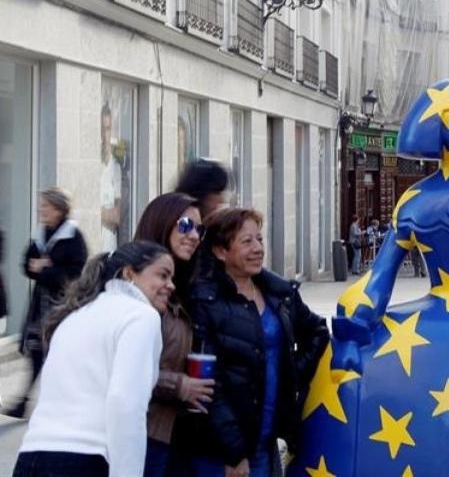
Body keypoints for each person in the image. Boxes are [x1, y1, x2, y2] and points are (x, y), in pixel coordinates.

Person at [183, 207, 330, 476]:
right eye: (246, 241)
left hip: (266, 443)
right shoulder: (204, 300)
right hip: (221, 452)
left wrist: (292, 373)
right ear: (221, 251)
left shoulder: (279, 293)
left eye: (259, 239)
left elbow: (318, 332)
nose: (258, 248)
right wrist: (234, 452)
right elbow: (209, 384)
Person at [14, 241, 174, 477]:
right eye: (163, 275)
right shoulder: (141, 316)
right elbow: (126, 403)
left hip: (30, 456)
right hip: (84, 460)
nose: (171, 285)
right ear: (129, 273)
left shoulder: (77, 314)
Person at [134, 193, 215, 476]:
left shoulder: (183, 287)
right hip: (141, 433)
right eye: (185, 225)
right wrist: (179, 385)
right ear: (162, 223)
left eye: (199, 229)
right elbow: (125, 369)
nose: (193, 235)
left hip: (174, 434)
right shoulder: (138, 290)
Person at [6, 188, 87, 419]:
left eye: (46, 206)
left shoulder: (73, 236)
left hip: (61, 303)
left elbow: (74, 274)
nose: (41, 210)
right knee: (36, 350)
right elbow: (26, 264)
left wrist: (45, 270)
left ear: (59, 209)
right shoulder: (41, 234)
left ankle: (63, 403)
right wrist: (40, 268)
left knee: (59, 353)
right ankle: (25, 400)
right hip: (40, 301)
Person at [100, 104, 122, 251]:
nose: (104, 135)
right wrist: (105, 213)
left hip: (110, 245)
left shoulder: (116, 168)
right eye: (102, 129)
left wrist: (99, 212)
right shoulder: (92, 165)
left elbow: (116, 217)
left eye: (108, 129)